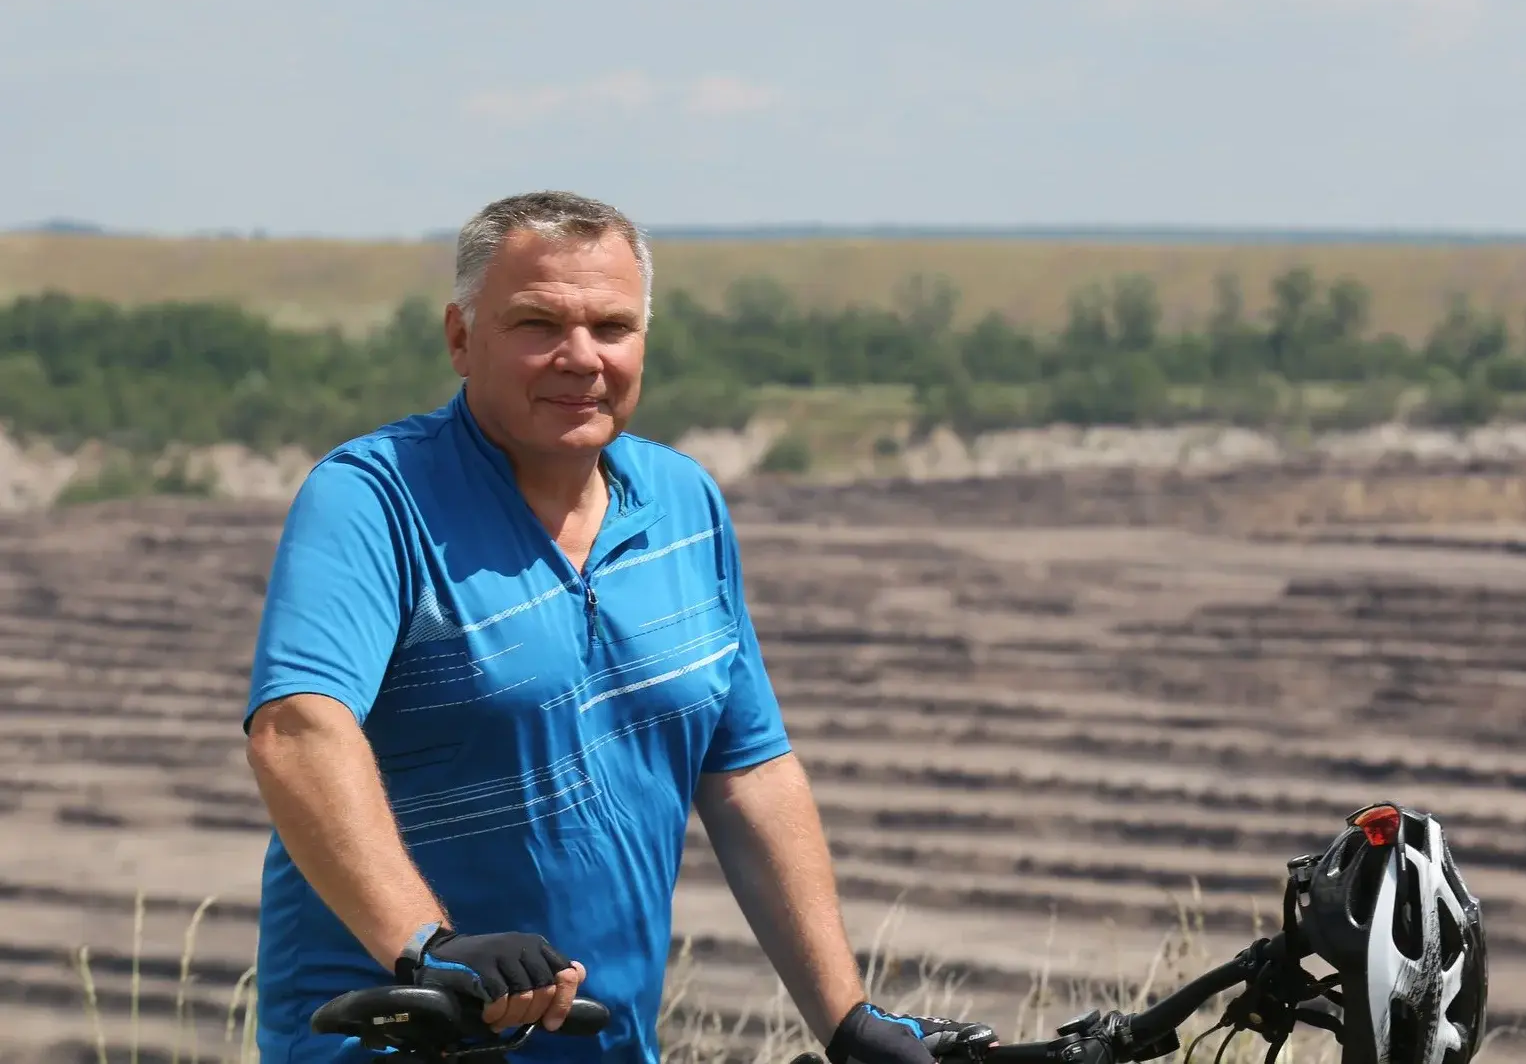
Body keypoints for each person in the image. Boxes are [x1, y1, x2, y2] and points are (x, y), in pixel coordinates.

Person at [242, 190, 997, 1064]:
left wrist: (846, 1019)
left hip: (604, 1042)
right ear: (459, 337)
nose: (580, 358)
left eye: (612, 326)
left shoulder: (683, 503)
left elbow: (747, 770)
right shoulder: (375, 498)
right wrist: (427, 946)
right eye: (536, 325)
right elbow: (298, 730)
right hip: (398, 1037)